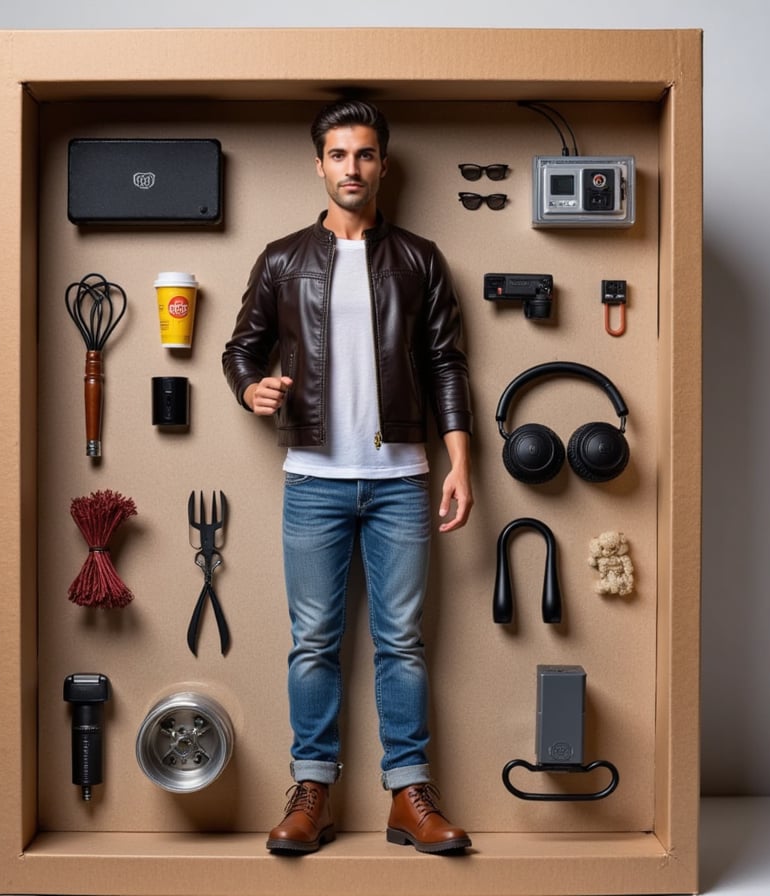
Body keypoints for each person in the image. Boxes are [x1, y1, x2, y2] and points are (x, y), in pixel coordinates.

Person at [222, 99, 474, 855]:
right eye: (339, 154)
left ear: (383, 165)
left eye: (365, 154)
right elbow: (241, 347)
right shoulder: (281, 258)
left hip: (401, 477)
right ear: (320, 164)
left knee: (401, 643)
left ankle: (409, 795)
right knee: (314, 643)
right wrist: (249, 387)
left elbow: (445, 364)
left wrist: (460, 461)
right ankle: (313, 793)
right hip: (313, 480)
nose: (352, 168)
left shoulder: (422, 259)